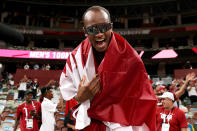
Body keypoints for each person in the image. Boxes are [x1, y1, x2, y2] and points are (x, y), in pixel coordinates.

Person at [59, 6, 156, 131]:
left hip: (121, 123)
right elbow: (67, 99)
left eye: (103, 27)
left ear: (111, 27)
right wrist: (79, 98)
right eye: (92, 29)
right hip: (90, 124)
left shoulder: (131, 59)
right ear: (85, 31)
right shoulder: (75, 59)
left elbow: (144, 100)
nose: (99, 33)